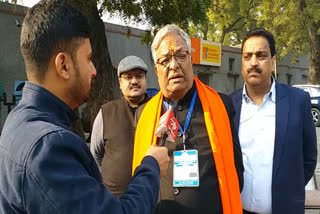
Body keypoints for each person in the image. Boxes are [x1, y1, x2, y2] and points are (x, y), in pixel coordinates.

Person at [0, 1, 170, 213]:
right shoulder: (48, 148)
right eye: (89, 59)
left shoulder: (18, 122)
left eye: (139, 76)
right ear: (63, 65)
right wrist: (151, 167)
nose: (94, 70)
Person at [133, 24, 244, 214]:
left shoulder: (221, 105)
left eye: (181, 56)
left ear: (191, 60)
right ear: (156, 69)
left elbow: (236, 171)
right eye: (165, 60)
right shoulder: (143, 113)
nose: (174, 65)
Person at [230, 28, 317, 214]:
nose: (253, 62)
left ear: (273, 61)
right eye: (247, 56)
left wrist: (289, 189)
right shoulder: (229, 105)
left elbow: (309, 157)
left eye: (261, 55)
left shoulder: (297, 101)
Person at [90, 55, 150, 196]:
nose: (134, 81)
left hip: (151, 197)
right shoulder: (106, 112)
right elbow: (96, 154)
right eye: (128, 77)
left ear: (146, 79)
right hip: (114, 199)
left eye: (139, 76)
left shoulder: (158, 109)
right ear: (120, 82)